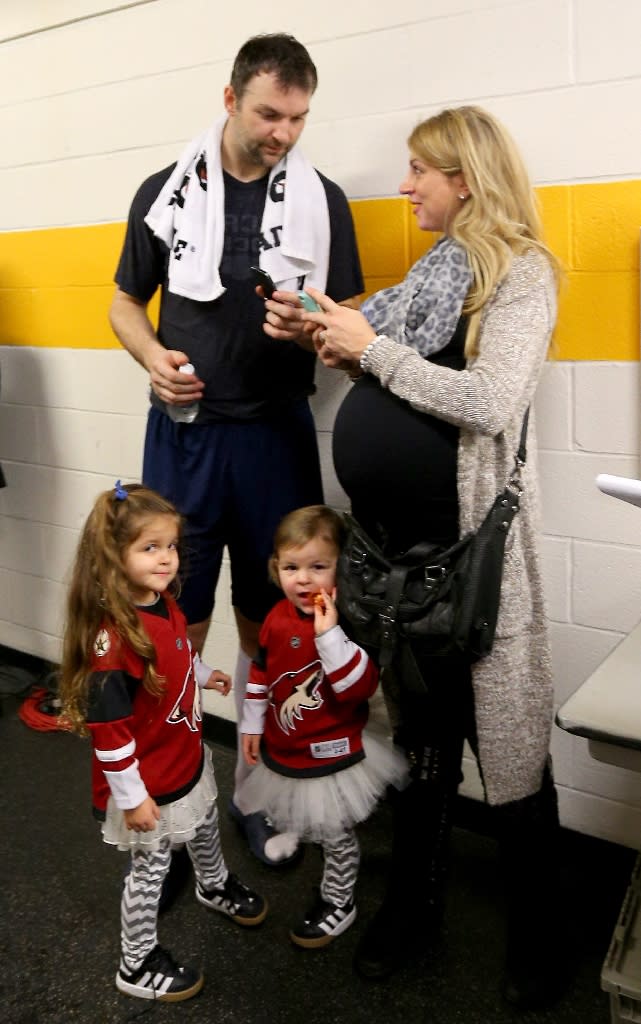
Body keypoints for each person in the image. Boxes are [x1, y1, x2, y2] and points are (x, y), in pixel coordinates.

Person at [301, 106, 565, 1009]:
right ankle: (411, 912)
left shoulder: (522, 275)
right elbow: (383, 361)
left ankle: (539, 936)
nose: (405, 185)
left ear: (466, 176)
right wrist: (328, 334)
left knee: (512, 753)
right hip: (393, 560)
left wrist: (369, 350)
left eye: (420, 169)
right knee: (419, 749)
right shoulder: (430, 275)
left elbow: (489, 401)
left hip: (472, 563)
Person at [108, 32, 364, 870]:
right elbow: (122, 304)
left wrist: (317, 330)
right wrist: (151, 358)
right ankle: (172, 813)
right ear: (229, 100)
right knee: (170, 631)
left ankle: (258, 793)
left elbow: (350, 319)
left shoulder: (321, 199)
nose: (281, 132)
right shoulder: (166, 190)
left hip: (274, 439)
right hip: (183, 440)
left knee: (277, 631)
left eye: (296, 117)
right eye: (266, 113)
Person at [58, 483, 267, 1003]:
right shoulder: (113, 639)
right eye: (150, 548)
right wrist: (131, 798)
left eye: (170, 546)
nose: (166, 558)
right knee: (149, 872)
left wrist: (205, 672)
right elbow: (109, 734)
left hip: (185, 759)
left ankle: (212, 883)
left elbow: (175, 656)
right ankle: (136, 960)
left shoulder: (162, 602)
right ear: (114, 555)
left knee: (204, 827)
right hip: (149, 783)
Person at [237, 505, 406, 947]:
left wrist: (329, 636)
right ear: (277, 568)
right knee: (297, 811)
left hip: (332, 750)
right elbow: (260, 675)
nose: (303, 579)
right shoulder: (274, 618)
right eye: (292, 567)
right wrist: (251, 726)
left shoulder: (346, 622)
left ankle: (338, 901)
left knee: (336, 834)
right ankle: (302, 844)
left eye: (318, 567)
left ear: (341, 568)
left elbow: (358, 687)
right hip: (287, 745)